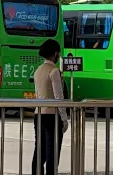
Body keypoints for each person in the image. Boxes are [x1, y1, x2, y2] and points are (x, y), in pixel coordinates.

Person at [31, 39, 68, 175]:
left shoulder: (37, 71)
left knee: (39, 150)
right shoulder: (54, 71)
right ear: (55, 54)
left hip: (38, 114)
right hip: (52, 116)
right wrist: (64, 119)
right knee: (52, 152)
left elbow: (37, 95)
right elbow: (59, 97)